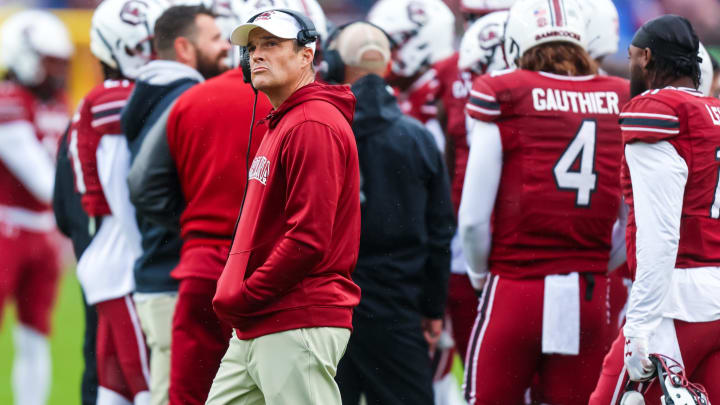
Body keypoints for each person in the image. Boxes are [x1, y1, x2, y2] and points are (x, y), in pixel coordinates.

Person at [458, 0, 630, 403]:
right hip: (587, 293)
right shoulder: (618, 96)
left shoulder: (504, 91)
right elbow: (631, 218)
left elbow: (472, 220)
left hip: (517, 285)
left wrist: (482, 273)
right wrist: (590, 260)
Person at [208, 8, 361, 405]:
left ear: (306, 55)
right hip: (263, 323)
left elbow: (308, 238)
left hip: (295, 320)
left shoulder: (312, 124)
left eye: (272, 44)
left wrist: (245, 294)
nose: (256, 55)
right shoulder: (287, 121)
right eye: (253, 47)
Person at [589, 15, 720, 404]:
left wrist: (640, 326)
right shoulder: (712, 112)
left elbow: (659, 233)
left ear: (646, 57)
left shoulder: (660, 112)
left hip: (678, 304)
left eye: (631, 57)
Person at [323, 22, 455, 405]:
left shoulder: (316, 130)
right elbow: (440, 233)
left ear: (333, 63)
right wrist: (433, 306)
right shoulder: (417, 138)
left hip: (328, 307)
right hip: (398, 309)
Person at [122, 4, 230, 405]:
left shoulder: (151, 93)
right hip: (172, 277)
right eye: (217, 39)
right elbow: (143, 187)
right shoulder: (184, 97)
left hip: (160, 273)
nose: (226, 49)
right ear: (184, 48)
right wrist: (199, 226)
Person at [69, 0, 170, 403]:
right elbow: (121, 191)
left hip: (113, 258)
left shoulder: (110, 94)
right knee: (151, 388)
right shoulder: (117, 99)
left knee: (115, 389)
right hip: (125, 263)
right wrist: (148, 259)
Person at [0, 10, 73, 405]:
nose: (58, 72)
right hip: (6, 229)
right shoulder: (7, 100)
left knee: (35, 335)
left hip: (42, 234)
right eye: (50, 62)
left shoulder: (56, 103)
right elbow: (43, 182)